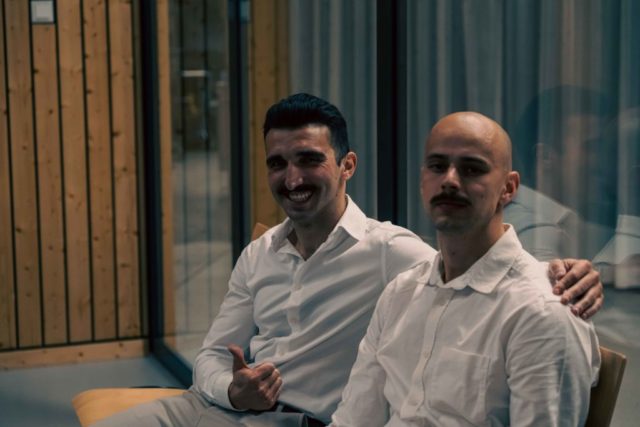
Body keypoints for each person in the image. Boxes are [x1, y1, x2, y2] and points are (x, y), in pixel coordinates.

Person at [95, 94, 603, 427]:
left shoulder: (391, 256)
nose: (293, 178)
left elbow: (489, 274)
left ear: (347, 166)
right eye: (278, 164)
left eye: (309, 160)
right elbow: (213, 357)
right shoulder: (402, 289)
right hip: (215, 408)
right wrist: (231, 389)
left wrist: (553, 272)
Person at [330, 112, 600, 426]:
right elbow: (354, 419)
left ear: (508, 188)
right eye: (437, 166)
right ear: (422, 180)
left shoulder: (541, 311)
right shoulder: (401, 292)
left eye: (472, 169)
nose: (450, 180)